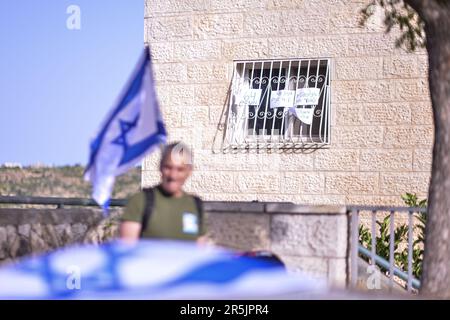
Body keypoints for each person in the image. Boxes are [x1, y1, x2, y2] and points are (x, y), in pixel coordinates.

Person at [119, 142, 206, 243]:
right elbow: (127, 250)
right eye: (168, 168)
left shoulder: (195, 205)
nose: (173, 175)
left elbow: (200, 252)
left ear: (189, 171)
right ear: (160, 167)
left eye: (180, 169)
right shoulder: (140, 202)